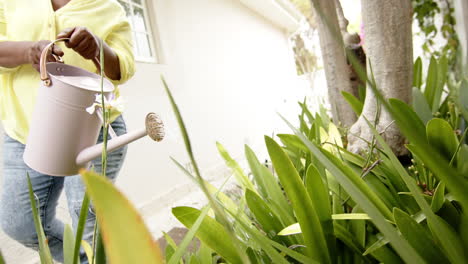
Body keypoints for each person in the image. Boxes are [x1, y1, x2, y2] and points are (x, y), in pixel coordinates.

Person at [0, 0, 135, 262]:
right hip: (24, 132)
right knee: (19, 222)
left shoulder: (108, 6)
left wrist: (98, 47)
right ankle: (84, 259)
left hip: (93, 130)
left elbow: (123, 68)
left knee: (89, 222)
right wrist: (29, 51)